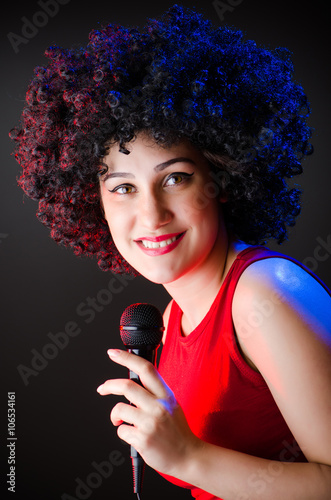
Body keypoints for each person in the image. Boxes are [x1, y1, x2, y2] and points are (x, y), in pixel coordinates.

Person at [10, 5, 331, 499]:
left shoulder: (265, 296)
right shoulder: (175, 314)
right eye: (122, 188)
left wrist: (189, 458)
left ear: (221, 178)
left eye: (175, 178)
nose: (152, 213)